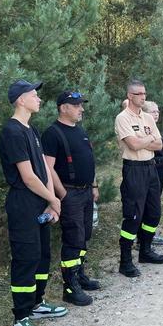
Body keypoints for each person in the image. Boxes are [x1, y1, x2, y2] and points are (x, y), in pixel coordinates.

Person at [0, 79, 68, 326]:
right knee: (25, 258)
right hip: (23, 202)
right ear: (20, 100)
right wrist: (54, 198)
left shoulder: (32, 130)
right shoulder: (12, 132)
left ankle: (37, 303)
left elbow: (43, 169)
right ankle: (21, 317)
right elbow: (27, 177)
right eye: (34, 95)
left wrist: (52, 200)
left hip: (41, 200)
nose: (39, 99)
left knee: (41, 255)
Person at [42, 90, 100, 307]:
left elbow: (89, 160)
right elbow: (49, 168)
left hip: (85, 191)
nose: (81, 109)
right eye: (76, 105)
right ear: (63, 107)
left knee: (83, 235)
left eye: (81, 105)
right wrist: (62, 193)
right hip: (70, 193)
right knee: (73, 238)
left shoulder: (80, 131)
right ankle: (70, 287)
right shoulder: (52, 133)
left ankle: (80, 275)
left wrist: (94, 185)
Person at [114, 80, 163, 277]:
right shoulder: (123, 118)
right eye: (138, 94)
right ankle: (125, 261)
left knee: (153, 213)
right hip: (133, 169)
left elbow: (159, 144)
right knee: (133, 216)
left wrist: (144, 142)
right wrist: (148, 141)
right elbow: (133, 145)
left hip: (151, 167)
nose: (143, 97)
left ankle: (145, 250)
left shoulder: (148, 117)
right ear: (130, 96)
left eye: (144, 93)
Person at [141, 101, 163, 245]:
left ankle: (150, 233)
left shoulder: (155, 128)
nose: (157, 114)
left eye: (157, 111)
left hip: (160, 169)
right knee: (148, 204)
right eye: (153, 111)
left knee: (155, 203)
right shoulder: (143, 129)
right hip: (150, 169)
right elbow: (146, 146)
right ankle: (144, 238)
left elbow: (159, 146)